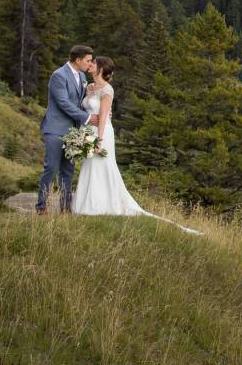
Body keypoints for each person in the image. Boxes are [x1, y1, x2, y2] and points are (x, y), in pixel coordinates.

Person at [72, 56, 200, 233]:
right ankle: (84, 204)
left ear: (100, 68)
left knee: (101, 165)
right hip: (88, 130)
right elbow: (84, 109)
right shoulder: (89, 87)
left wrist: (99, 140)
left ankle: (102, 205)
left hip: (102, 133)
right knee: (89, 164)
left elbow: (103, 118)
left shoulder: (107, 90)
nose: (90, 65)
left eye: (93, 63)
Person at [38, 44, 95, 214]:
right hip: (55, 129)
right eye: (88, 60)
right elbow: (63, 103)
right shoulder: (58, 75)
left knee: (67, 171)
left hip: (73, 131)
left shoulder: (82, 76)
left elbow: (80, 101)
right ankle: (41, 207)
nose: (90, 64)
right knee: (51, 168)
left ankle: (65, 207)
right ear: (78, 60)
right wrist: (87, 117)